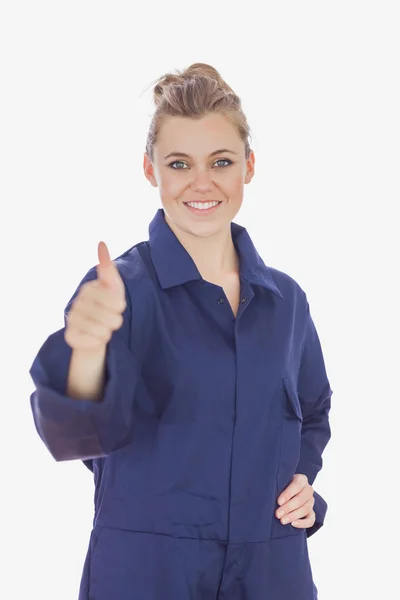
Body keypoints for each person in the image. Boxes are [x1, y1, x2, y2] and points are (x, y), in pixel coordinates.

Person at [29, 63, 333, 600]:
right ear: (151, 170)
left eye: (221, 162)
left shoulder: (285, 303)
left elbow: (312, 413)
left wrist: (304, 486)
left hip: (270, 572)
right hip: (149, 574)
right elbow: (76, 434)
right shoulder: (120, 293)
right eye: (178, 163)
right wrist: (86, 351)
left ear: (249, 167)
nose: (202, 183)